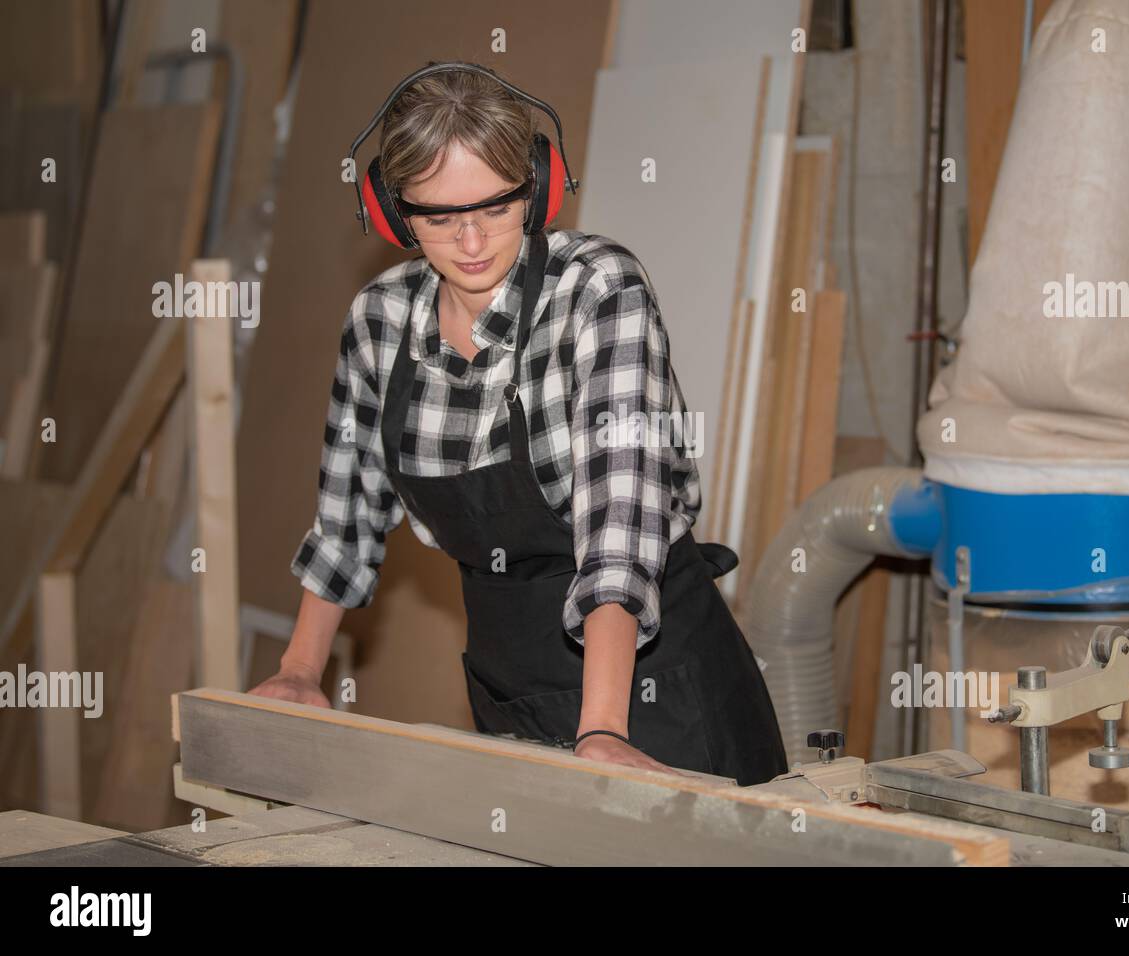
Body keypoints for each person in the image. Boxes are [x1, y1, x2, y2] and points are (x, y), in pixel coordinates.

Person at [249, 62, 788, 786]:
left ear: (536, 190)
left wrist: (601, 727)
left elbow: (620, 525)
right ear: (389, 211)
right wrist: (298, 673)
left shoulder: (597, 289)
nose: (471, 241)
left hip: (655, 687)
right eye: (438, 217)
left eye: (495, 208)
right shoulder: (379, 322)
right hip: (511, 682)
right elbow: (346, 519)